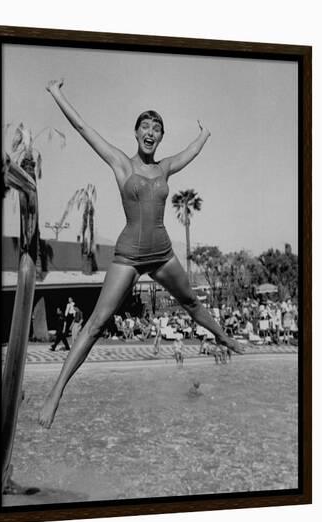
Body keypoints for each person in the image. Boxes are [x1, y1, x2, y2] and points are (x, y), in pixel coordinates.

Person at [39, 78, 244, 428]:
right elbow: (83, 127)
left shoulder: (163, 168)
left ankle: (223, 335)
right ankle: (56, 392)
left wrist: (205, 134)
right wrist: (57, 93)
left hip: (162, 253)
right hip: (130, 255)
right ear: (136, 133)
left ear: (161, 137)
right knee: (96, 324)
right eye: (146, 126)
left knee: (192, 303)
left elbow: (190, 154)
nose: (151, 132)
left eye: (157, 128)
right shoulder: (121, 163)